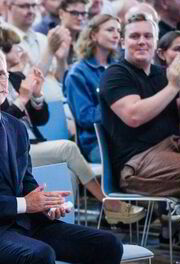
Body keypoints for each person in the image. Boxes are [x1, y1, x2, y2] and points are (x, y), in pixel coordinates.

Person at [0, 46, 123, 264]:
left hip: (23, 223)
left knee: (108, 244)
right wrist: (26, 204)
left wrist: (46, 205)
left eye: (1, 74)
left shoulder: (15, 126)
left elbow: (25, 180)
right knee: (40, 255)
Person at [0, 25, 145, 225]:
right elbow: (0, 125)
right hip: (9, 150)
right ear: (1, 50)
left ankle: (66, 224)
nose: (21, 50)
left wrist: (37, 96)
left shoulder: (17, 77)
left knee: (70, 172)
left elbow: (41, 119)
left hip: (31, 143)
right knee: (67, 148)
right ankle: (108, 203)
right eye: (15, 46)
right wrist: (22, 99)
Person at [99, 13, 180, 264]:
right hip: (136, 163)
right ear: (123, 41)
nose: (141, 41)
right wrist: (172, 86)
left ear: (155, 42)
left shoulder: (161, 73)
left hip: (173, 145)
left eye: (147, 35)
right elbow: (134, 116)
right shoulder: (115, 74)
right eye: (135, 36)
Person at [65, 14, 121, 164]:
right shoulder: (78, 73)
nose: (116, 35)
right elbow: (85, 117)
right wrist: (118, 105)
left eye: (118, 31)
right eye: (110, 30)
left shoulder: (119, 66)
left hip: (124, 136)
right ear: (94, 35)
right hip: (97, 143)